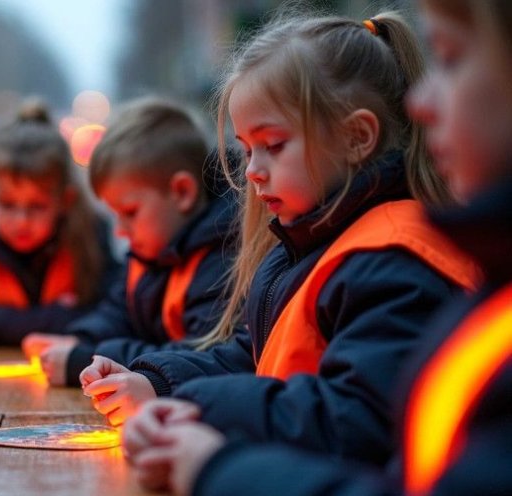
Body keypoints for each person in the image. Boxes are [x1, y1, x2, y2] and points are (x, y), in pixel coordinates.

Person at [119, 1, 512, 494]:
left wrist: (207, 428)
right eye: (245, 149)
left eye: (274, 145)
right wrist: (158, 380)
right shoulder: (306, 246)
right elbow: (256, 357)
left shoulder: (393, 259)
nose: (253, 170)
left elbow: (354, 420)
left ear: (356, 137)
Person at [28, 97, 237, 387]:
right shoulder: (150, 251)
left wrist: (85, 358)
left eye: (130, 213)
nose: (120, 232)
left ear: (182, 192)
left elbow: (199, 355)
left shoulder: (220, 259)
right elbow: (119, 311)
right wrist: (80, 338)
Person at [0, 100, 119, 369]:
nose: (21, 221)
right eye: (7, 205)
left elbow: (112, 311)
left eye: (37, 207)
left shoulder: (90, 235)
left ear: (65, 200)